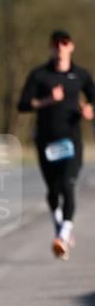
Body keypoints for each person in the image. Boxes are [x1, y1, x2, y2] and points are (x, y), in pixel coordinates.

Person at [18, 30, 95, 260]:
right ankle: (59, 227)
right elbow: (22, 105)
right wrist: (47, 101)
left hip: (71, 140)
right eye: (56, 44)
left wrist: (90, 110)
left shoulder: (80, 75)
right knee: (53, 190)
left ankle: (63, 235)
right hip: (45, 141)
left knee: (68, 184)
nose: (60, 47)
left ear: (71, 46)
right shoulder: (40, 75)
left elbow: (93, 98)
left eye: (64, 43)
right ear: (51, 48)